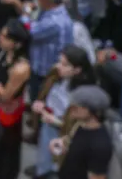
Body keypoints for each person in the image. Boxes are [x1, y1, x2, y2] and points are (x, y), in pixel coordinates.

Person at [31, 45, 96, 179]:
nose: (59, 66)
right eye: (60, 61)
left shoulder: (83, 95)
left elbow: (79, 126)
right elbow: (46, 90)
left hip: (63, 132)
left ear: (77, 70)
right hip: (47, 121)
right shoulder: (56, 73)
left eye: (64, 64)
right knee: (43, 162)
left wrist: (55, 120)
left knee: (55, 167)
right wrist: (41, 103)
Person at [0, 20, 32, 179]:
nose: (0, 38)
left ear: (16, 44)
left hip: (7, 116)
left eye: (5, 36)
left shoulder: (21, 68)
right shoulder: (4, 54)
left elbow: (5, 96)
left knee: (4, 155)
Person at [54, 86, 114, 179]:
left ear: (92, 110)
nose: (72, 108)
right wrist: (60, 144)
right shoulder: (80, 125)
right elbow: (71, 143)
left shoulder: (100, 145)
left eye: (77, 106)